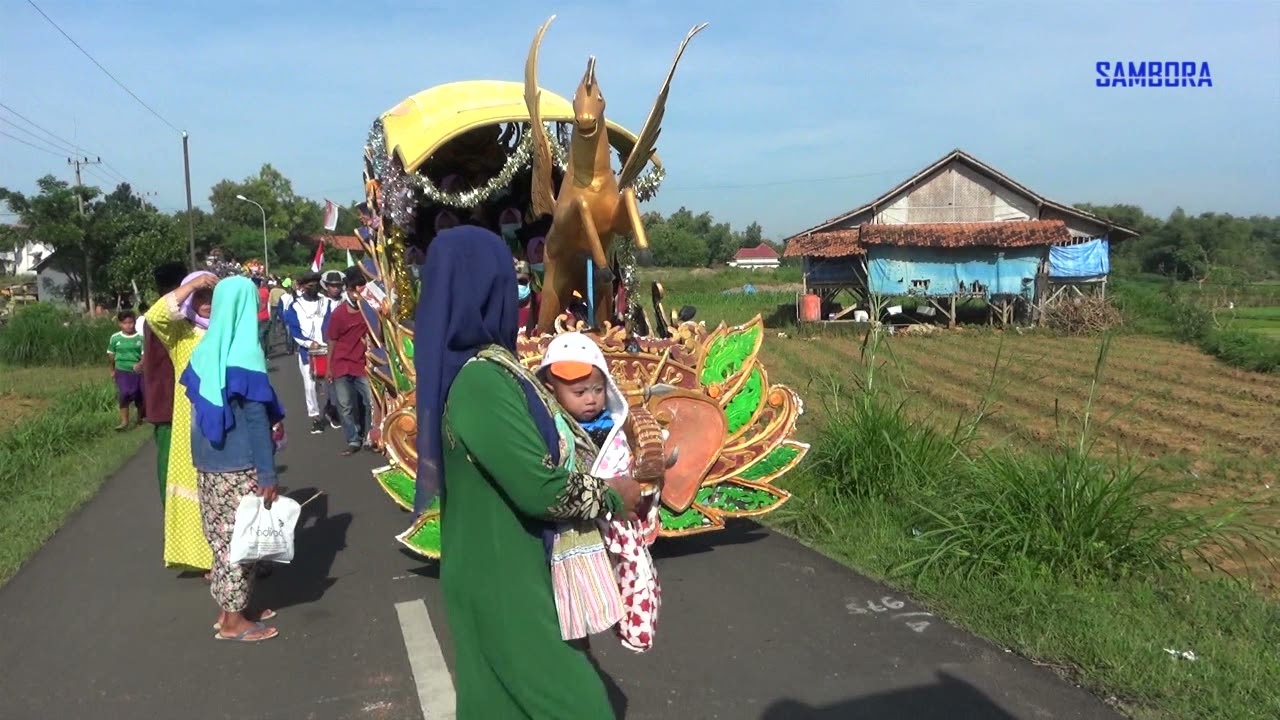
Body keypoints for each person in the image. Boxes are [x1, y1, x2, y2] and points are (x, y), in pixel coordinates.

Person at [415, 225, 640, 718]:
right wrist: (614, 495)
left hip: (498, 565)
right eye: (508, 276)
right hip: (502, 576)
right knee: (579, 705)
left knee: (498, 705)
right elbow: (540, 488)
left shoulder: (489, 368)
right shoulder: (481, 381)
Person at [536, 333, 663, 652]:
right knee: (568, 606)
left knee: (630, 577)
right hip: (568, 531)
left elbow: (626, 470)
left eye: (597, 389)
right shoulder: (549, 431)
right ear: (551, 390)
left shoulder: (613, 429)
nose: (591, 399)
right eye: (579, 392)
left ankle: (631, 628)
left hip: (614, 525)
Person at [180, 275, 285, 642]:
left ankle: (231, 609)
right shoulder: (245, 353)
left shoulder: (205, 351)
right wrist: (268, 473)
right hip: (241, 465)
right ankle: (232, 624)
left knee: (222, 541)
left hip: (209, 466)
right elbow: (257, 421)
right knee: (240, 544)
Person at [144, 271, 218, 573]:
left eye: (212, 298)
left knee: (228, 489)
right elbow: (155, 315)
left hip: (230, 417)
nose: (206, 304)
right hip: (192, 420)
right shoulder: (180, 335)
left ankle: (240, 557)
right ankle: (207, 560)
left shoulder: (227, 329)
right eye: (200, 298)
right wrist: (192, 285)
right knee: (196, 487)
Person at [142, 262, 188, 506]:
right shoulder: (164, 317)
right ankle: (173, 512)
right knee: (172, 466)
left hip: (167, 401)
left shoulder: (165, 316)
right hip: (169, 403)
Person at [324, 268, 374, 455]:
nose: (357, 294)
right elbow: (332, 341)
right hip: (341, 365)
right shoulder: (338, 315)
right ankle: (353, 439)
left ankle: (370, 436)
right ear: (349, 290)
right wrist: (329, 367)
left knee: (370, 402)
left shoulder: (369, 312)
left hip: (362, 365)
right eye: (354, 290)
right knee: (345, 406)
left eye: (361, 289)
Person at [283, 271, 334, 434]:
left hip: (327, 349)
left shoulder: (326, 302)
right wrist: (307, 342)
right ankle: (315, 417)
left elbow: (330, 322)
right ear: (304, 287)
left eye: (316, 285)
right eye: (310, 285)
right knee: (310, 386)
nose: (314, 288)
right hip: (308, 352)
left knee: (329, 383)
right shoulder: (295, 306)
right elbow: (294, 329)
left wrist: (327, 340)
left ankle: (330, 410)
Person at [108, 310, 146, 431]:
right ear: (120, 324)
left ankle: (140, 418)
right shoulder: (115, 338)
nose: (128, 325)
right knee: (124, 394)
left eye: (131, 322)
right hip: (121, 370)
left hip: (137, 371)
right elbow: (111, 355)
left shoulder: (140, 338)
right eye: (125, 323)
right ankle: (124, 421)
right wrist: (112, 370)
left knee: (138, 394)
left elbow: (144, 355)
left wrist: (140, 364)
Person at [319, 270, 346, 429]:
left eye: (338, 286)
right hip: (324, 345)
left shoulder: (345, 301)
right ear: (326, 287)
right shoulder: (321, 303)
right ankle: (332, 410)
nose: (335, 289)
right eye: (332, 286)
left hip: (342, 345)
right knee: (328, 382)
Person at [255, 277, 272, 356]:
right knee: (266, 335)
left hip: (258, 317)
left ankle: (262, 353)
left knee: (260, 336)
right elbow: (269, 304)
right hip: (266, 316)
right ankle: (267, 352)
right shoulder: (266, 291)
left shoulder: (253, 292)